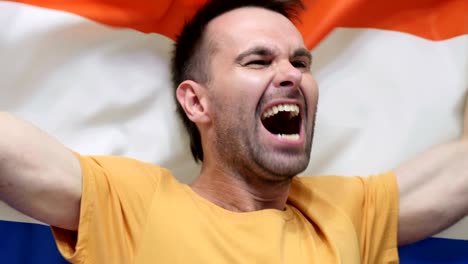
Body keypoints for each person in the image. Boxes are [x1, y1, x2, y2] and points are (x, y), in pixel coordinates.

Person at [0, 0, 467, 263]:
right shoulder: (132, 204)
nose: (292, 75)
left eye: (300, 62)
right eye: (258, 60)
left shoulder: (346, 212)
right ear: (196, 101)